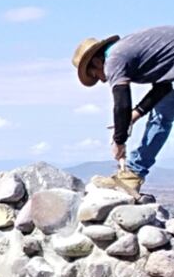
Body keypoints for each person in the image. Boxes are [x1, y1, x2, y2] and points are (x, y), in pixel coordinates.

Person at [72, 28, 174, 198]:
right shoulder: (132, 50)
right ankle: (133, 174)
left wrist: (119, 141)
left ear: (97, 62)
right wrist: (134, 116)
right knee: (161, 117)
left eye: (95, 74)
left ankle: (132, 173)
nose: (102, 80)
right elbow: (162, 88)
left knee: (161, 118)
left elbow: (121, 103)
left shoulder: (114, 59)